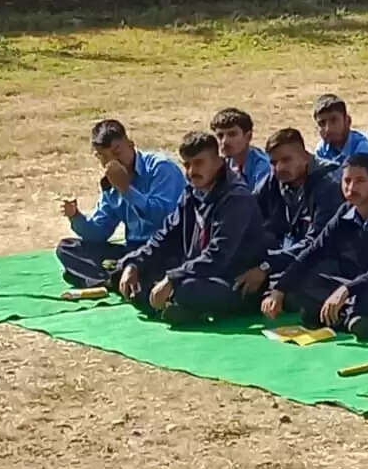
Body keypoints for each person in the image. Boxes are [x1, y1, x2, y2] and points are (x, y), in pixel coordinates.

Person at [265, 147, 368, 331]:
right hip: (355, 283)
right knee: (301, 285)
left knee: (365, 300)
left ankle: (345, 317)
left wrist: (346, 290)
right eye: (347, 181)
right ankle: (351, 320)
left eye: (360, 181)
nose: (351, 188)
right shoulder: (345, 211)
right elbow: (314, 251)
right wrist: (279, 289)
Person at [117, 130, 266, 322]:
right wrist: (134, 263)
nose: (191, 171)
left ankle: (181, 305)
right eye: (187, 165)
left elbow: (217, 257)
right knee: (134, 276)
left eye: (199, 163)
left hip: (229, 280)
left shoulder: (236, 198)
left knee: (187, 289)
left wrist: (172, 278)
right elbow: (165, 236)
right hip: (194, 270)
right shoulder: (192, 192)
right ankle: (177, 307)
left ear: (218, 162)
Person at [57, 117, 187, 291]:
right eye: (105, 157)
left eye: (117, 153)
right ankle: (118, 279)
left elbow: (163, 218)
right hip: (133, 250)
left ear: (131, 145)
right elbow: (100, 233)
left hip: (165, 248)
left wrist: (127, 191)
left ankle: (114, 277)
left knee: (160, 265)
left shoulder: (161, 169)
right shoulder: (110, 184)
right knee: (67, 248)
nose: (114, 162)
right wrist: (76, 216)